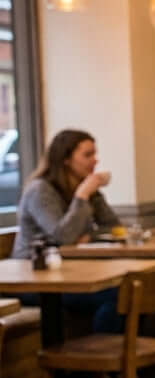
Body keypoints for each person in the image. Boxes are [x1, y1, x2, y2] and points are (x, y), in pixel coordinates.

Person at [13, 129, 123, 332]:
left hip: (68, 274)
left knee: (127, 292)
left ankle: (115, 356)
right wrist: (82, 196)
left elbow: (115, 228)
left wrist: (89, 236)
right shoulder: (41, 190)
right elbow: (63, 237)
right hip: (32, 279)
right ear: (65, 159)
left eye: (95, 154)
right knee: (115, 297)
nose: (95, 161)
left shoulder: (87, 188)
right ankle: (100, 358)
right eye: (88, 155)